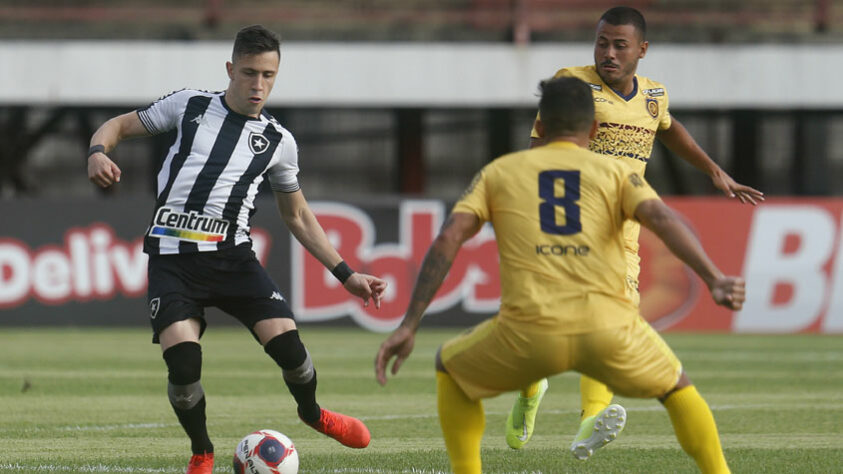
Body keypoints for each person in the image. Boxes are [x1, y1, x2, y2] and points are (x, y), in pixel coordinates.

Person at [375, 76, 741, 474]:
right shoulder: (618, 174)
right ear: (595, 128)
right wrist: (713, 277)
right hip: (609, 332)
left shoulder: (500, 172)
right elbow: (661, 218)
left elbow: (449, 238)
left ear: (541, 127)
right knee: (676, 387)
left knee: (449, 367)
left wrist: (409, 324)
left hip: (529, 333)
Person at [87, 25, 386, 474]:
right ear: (230, 69)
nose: (258, 85)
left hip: (233, 260)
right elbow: (118, 126)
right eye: (249, 73)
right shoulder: (188, 106)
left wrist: (347, 274)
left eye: (268, 75)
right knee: (184, 365)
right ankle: (202, 451)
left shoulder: (278, 142)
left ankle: (313, 413)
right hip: (173, 262)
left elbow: (298, 215)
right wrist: (96, 151)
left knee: (290, 349)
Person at [508, 6, 764, 459]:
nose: (608, 52)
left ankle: (592, 419)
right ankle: (530, 390)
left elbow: (667, 127)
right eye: (601, 42)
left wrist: (713, 171)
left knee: (613, 322)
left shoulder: (653, 96)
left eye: (619, 45)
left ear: (641, 50)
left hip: (622, 230)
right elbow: (538, 144)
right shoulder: (571, 83)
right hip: (566, 221)